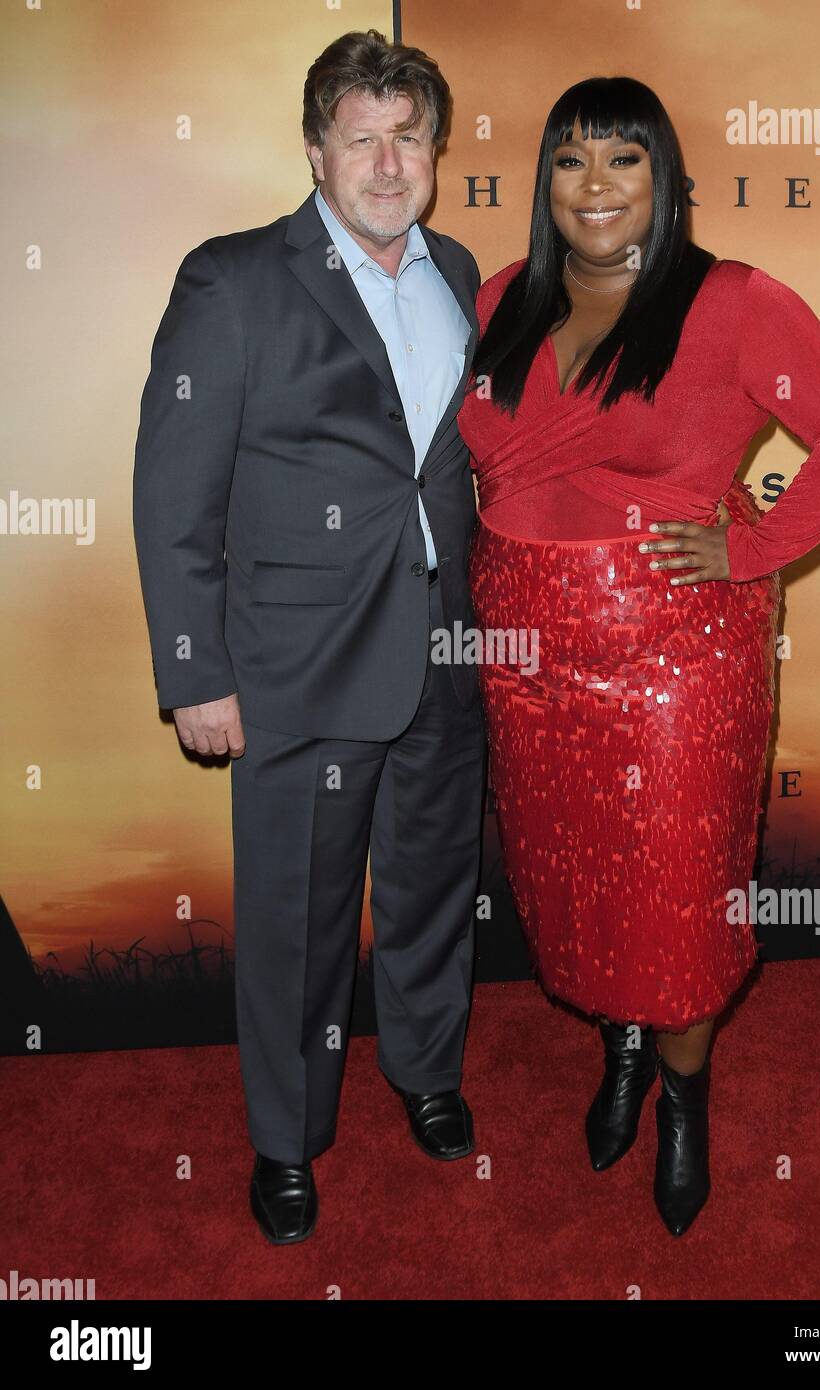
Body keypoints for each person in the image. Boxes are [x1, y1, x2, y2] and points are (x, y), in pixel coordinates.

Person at [457, 76, 820, 1236]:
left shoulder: (732, 302)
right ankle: (620, 1054)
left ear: (666, 180)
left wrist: (753, 544)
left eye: (623, 159)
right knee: (574, 879)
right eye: (569, 160)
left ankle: (683, 1101)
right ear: (543, 180)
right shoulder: (502, 297)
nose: (593, 186)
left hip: (673, 658)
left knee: (673, 898)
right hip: (524, 653)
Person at [133, 29, 487, 1246]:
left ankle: (427, 1074)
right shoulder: (233, 280)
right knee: (296, 922)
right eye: (363, 138)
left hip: (446, 652)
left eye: (410, 137)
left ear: (435, 150)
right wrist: (196, 673)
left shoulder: (461, 270)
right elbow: (174, 491)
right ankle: (287, 1143)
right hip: (298, 666)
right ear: (315, 150)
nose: (388, 163)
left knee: (437, 890)